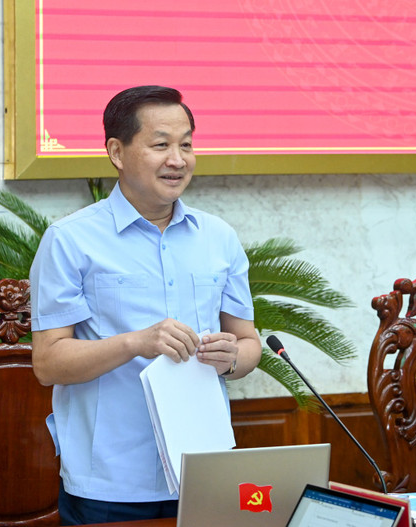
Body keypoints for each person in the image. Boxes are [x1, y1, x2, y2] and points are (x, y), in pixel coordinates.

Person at [30, 85, 262, 525]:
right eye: (161, 145)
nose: (178, 159)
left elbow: (249, 343)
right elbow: (48, 362)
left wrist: (233, 358)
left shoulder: (219, 239)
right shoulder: (70, 240)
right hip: (109, 479)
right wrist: (136, 342)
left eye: (187, 145)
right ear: (117, 152)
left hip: (202, 468)